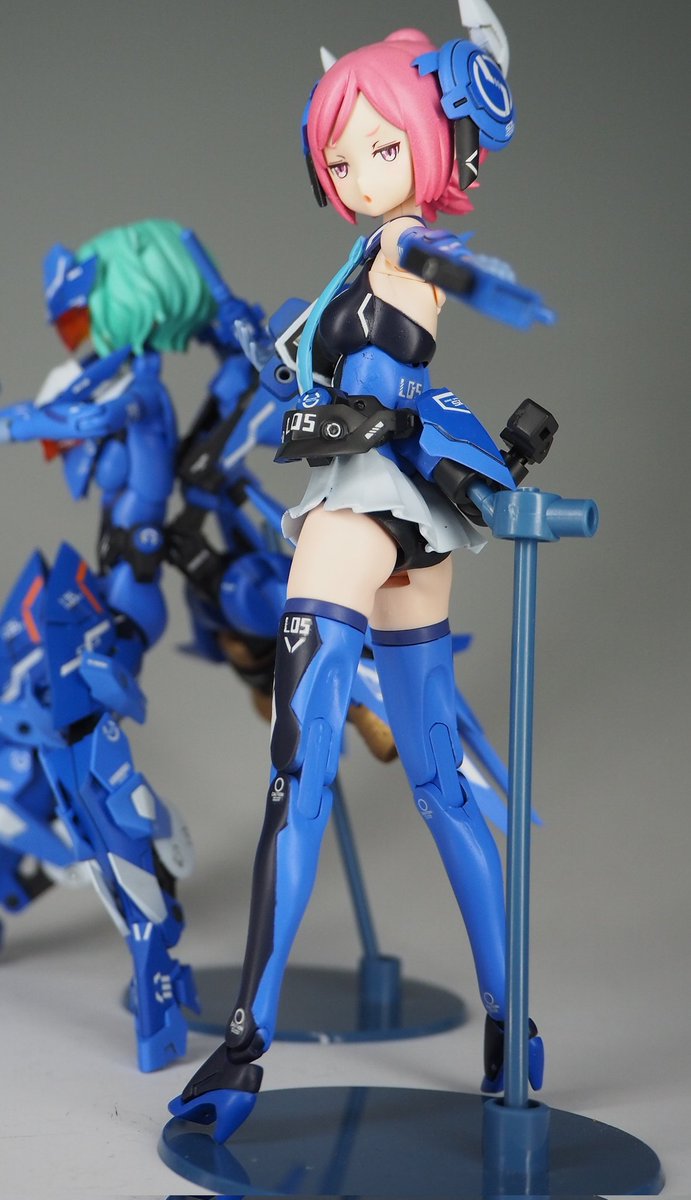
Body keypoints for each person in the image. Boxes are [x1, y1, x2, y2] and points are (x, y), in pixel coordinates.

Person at [170, 23, 544, 1141]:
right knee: (435, 782)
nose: (358, 171)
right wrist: (283, 363)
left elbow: (408, 342)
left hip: (362, 498)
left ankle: (242, 1049)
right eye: (341, 157)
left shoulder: (407, 251)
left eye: (382, 147)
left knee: (299, 773)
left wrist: (340, 392)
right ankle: (510, 1022)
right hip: (412, 512)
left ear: (432, 140)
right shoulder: (371, 253)